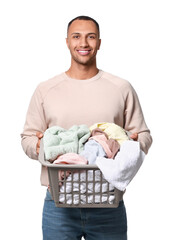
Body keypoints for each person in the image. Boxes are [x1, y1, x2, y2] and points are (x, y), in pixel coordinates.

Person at [21, 16, 152, 240]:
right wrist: (45, 145)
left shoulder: (121, 88)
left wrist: (127, 145)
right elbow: (28, 137)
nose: (83, 43)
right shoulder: (46, 89)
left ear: (99, 43)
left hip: (108, 202)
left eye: (90, 37)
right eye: (76, 36)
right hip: (58, 205)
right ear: (67, 42)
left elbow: (144, 135)